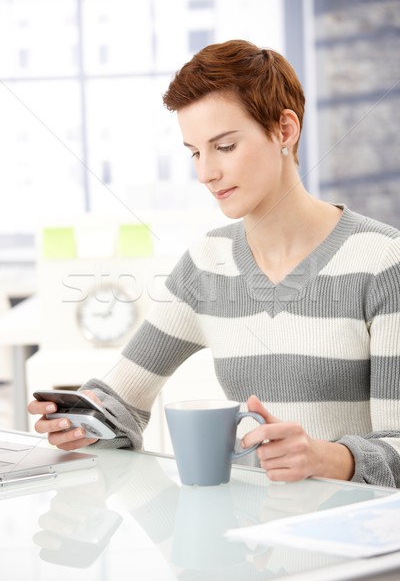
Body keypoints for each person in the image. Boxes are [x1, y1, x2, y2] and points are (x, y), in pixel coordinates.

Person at [28, 39, 400, 487]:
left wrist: (326, 458)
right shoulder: (207, 264)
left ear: (284, 130)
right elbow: (121, 401)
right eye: (195, 152)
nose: (206, 173)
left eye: (224, 146)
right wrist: (80, 422)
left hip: (357, 543)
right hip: (248, 537)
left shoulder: (383, 262)